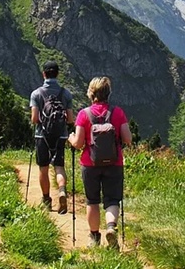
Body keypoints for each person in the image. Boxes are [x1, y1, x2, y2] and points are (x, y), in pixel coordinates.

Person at [68, 76, 132, 249]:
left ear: (91, 93)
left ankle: (94, 238)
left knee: (92, 201)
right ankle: (111, 227)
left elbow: (79, 143)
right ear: (108, 93)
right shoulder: (118, 112)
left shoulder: (84, 114)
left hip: (90, 164)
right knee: (112, 200)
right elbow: (128, 139)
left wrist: (71, 138)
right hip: (114, 163)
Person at [29, 61, 73, 213]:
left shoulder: (36, 94)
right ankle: (61, 190)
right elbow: (70, 119)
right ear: (57, 74)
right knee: (59, 167)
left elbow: (34, 119)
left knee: (44, 168)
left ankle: (46, 199)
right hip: (60, 135)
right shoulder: (65, 93)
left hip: (42, 136)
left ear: (44, 74)